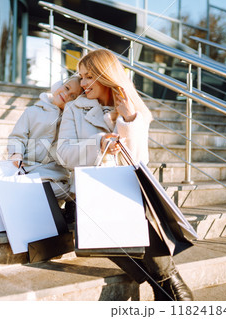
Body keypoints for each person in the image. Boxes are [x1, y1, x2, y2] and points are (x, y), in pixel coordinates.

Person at [56, 49, 193, 301]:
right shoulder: (75, 109)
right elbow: (63, 154)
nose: (83, 84)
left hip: (126, 193)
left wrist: (129, 120)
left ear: (105, 76)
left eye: (89, 77)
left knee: (136, 213)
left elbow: (139, 162)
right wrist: (98, 143)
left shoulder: (135, 110)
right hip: (89, 196)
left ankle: (166, 287)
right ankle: (170, 285)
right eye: (81, 77)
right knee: (116, 217)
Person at [7, 75, 83, 218]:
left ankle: (70, 201)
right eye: (66, 88)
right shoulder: (32, 112)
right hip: (28, 168)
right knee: (32, 188)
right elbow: (17, 137)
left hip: (54, 175)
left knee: (63, 188)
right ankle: (50, 207)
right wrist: (16, 153)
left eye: (73, 96)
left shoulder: (70, 120)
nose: (66, 95)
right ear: (58, 85)